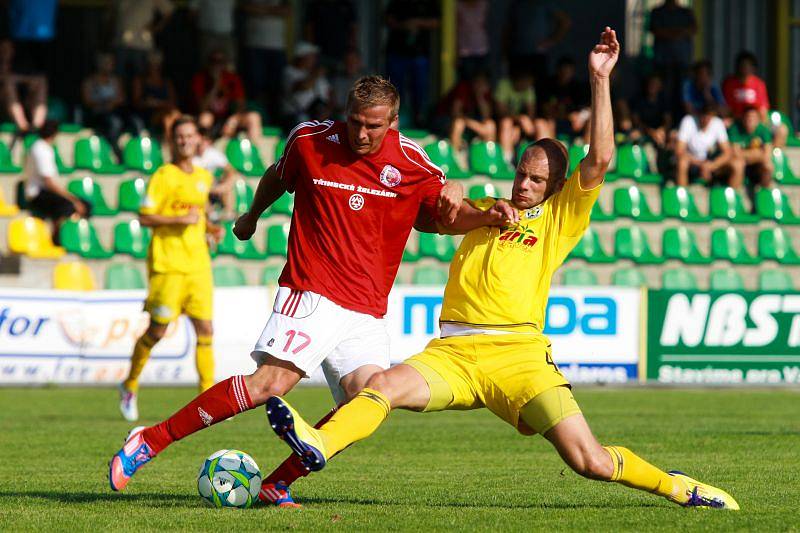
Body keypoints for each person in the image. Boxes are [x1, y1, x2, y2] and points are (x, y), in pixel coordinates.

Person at [264, 29, 740, 512]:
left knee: (589, 461)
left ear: (556, 186)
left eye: (537, 180)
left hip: (520, 356)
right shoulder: (488, 207)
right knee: (379, 387)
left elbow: (598, 159)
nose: (525, 185)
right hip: (455, 354)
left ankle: (679, 487)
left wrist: (599, 79)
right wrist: (455, 188)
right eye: (521, 174)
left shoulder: (560, 217)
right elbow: (440, 206)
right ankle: (311, 448)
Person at [108, 76, 514, 506]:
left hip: (367, 309)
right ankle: (150, 439)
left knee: (368, 399)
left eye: (374, 127)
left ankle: (275, 483)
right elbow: (277, 176)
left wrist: (484, 213)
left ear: (393, 122)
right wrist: (251, 216)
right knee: (270, 385)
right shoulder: (310, 141)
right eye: (355, 122)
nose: (361, 134)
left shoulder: (411, 162)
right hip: (311, 288)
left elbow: (440, 217)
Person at [118, 116, 222, 423]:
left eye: (190, 136)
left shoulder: (204, 176)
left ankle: (209, 397)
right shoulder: (163, 175)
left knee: (206, 329)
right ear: (172, 142)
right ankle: (130, 384)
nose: (185, 141)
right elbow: (145, 216)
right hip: (168, 266)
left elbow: (197, 215)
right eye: (179, 137)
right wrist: (179, 221)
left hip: (198, 265)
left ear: (198, 139)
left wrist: (209, 228)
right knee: (158, 330)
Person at [24, 120, 90, 243]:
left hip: (41, 191)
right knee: (69, 206)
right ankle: (58, 238)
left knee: (84, 204)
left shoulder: (39, 147)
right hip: (37, 194)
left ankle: (68, 236)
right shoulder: (41, 150)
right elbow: (49, 182)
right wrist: (73, 200)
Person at [385, 0, 440, 126]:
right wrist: (405, 25)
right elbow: (387, 19)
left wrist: (418, 23)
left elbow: (436, 21)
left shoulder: (428, 3)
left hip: (419, 54)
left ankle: (419, 120)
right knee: (394, 90)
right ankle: (394, 121)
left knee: (420, 89)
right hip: (397, 52)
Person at [191, 50, 261, 141]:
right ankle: (202, 149)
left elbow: (241, 106)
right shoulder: (200, 78)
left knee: (254, 117)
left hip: (228, 118)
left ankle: (254, 151)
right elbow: (202, 108)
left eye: (220, 61)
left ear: (225, 64)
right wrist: (216, 84)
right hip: (210, 117)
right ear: (208, 63)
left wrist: (234, 119)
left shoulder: (233, 78)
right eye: (213, 61)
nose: (217, 65)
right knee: (206, 118)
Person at [722, 51, 787, 148]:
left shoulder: (759, 84)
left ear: (753, 68)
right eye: (743, 65)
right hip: (737, 122)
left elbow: (763, 111)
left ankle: (771, 156)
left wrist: (758, 123)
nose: (745, 68)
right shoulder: (729, 84)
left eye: (748, 65)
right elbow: (726, 110)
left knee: (782, 129)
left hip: (756, 122)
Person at [240, 0, 291, 122]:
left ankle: (274, 122)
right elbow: (245, 6)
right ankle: (256, 120)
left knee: (276, 88)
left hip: (277, 46)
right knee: (255, 87)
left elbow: (288, 11)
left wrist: (260, 10)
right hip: (254, 44)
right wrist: (273, 10)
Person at [675, 104, 743, 188]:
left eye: (709, 117)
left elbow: (727, 152)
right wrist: (701, 164)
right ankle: (682, 194)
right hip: (692, 163)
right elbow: (679, 151)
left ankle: (732, 196)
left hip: (711, 162)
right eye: (704, 116)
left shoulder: (717, 123)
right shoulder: (688, 121)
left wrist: (712, 165)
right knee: (682, 162)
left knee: (738, 164)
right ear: (699, 114)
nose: (706, 120)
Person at [506, 0, 571, 86]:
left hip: (537, 55)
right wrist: (504, 52)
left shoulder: (544, 2)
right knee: (515, 88)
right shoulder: (516, 4)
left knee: (539, 88)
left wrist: (551, 40)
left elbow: (565, 21)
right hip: (517, 54)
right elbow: (507, 29)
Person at [649, 0, 696, 116]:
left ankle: (680, 120)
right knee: (664, 93)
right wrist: (678, 32)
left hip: (682, 61)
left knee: (682, 92)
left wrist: (671, 33)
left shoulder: (686, 12)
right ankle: (665, 119)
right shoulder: (658, 11)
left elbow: (693, 29)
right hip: (663, 62)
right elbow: (656, 30)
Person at [111, 0, 174, 82]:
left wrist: (156, 28)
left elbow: (169, 11)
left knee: (140, 76)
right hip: (121, 43)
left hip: (141, 44)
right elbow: (112, 13)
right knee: (118, 76)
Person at [435, 71, 496, 152]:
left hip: (468, 122)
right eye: (478, 81)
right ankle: (455, 156)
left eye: (483, 83)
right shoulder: (463, 88)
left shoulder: (484, 93)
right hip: (444, 119)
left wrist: (480, 96)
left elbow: (486, 116)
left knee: (490, 125)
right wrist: (477, 127)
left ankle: (487, 159)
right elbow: (455, 114)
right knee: (459, 124)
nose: (481, 85)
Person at [81, 52, 126, 159]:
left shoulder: (115, 81)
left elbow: (122, 98)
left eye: (111, 63)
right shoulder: (90, 81)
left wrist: (112, 103)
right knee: (114, 122)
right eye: (106, 63)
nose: (109, 66)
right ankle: (114, 148)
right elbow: (87, 101)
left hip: (114, 112)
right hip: (96, 114)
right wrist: (105, 103)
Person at [0, 39, 47, 133]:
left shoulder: (17, 66)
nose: (8, 51)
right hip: (5, 104)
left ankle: (36, 126)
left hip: (25, 103)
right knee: (9, 83)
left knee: (40, 80)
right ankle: (23, 126)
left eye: (10, 48)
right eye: (4, 49)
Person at [282, 42, 332, 126]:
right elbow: (304, 86)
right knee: (302, 119)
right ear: (302, 57)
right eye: (311, 56)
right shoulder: (289, 72)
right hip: (296, 114)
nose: (314, 59)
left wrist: (328, 109)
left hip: (320, 113)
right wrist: (316, 74)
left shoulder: (313, 72)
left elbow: (330, 93)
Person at [194, 127, 239, 219]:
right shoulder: (190, 157)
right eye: (199, 142)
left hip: (210, 185)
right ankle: (210, 215)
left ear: (209, 142)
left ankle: (228, 214)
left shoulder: (213, 154)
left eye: (204, 141)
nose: (201, 145)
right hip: (197, 187)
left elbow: (231, 170)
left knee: (228, 187)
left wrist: (225, 185)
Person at [495, 66, 538, 161]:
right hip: (499, 123)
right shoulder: (504, 85)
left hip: (519, 126)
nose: (528, 85)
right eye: (526, 82)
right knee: (506, 123)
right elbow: (500, 112)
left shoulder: (529, 89)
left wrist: (519, 128)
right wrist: (520, 119)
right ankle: (506, 161)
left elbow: (531, 115)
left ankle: (543, 160)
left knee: (541, 124)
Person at [131, 51, 178, 136]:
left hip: (165, 111)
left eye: (157, 63)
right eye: (152, 63)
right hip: (147, 114)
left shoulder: (166, 82)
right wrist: (149, 103)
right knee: (167, 119)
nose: (155, 66)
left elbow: (173, 103)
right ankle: (168, 144)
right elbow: (136, 103)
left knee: (175, 115)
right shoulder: (140, 81)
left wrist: (156, 103)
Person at [303, 0, 358, 73]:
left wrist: (352, 49)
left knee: (340, 75)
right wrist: (311, 49)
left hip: (342, 51)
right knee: (321, 76)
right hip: (320, 51)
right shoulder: (315, 5)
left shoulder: (347, 5)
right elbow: (309, 28)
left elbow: (353, 28)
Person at [728, 106, 773, 189]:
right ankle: (734, 197)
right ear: (742, 118)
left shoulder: (763, 130)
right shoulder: (735, 128)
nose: (750, 120)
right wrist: (757, 153)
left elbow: (767, 155)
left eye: (753, 117)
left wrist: (746, 154)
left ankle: (764, 194)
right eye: (747, 117)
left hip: (756, 166)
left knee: (768, 166)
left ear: (758, 120)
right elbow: (735, 153)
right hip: (740, 163)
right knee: (738, 164)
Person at [189, 0, 237, 68]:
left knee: (229, 64)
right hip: (207, 34)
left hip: (227, 33)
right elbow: (192, 12)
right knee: (206, 65)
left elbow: (233, 8)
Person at [456, 0, 489, 80]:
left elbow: (487, 25)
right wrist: (456, 51)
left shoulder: (483, 4)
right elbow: (455, 29)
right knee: (467, 80)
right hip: (465, 51)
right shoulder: (458, 5)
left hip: (482, 49)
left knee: (481, 80)